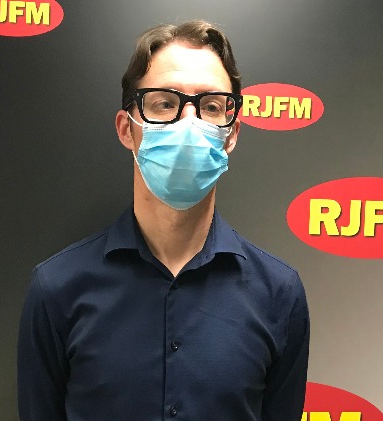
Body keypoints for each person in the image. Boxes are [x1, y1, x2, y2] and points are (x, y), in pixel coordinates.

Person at [17, 20, 310, 421]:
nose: (188, 122)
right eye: (164, 103)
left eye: (210, 106)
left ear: (232, 134)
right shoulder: (58, 288)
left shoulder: (279, 294)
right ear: (127, 129)